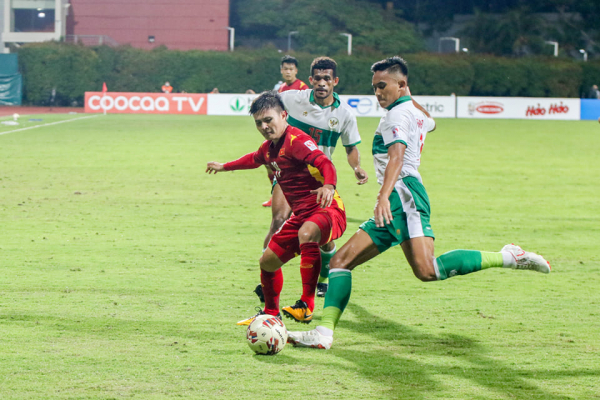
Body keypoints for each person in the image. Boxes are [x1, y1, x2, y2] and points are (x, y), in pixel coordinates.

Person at [287, 56, 551, 350]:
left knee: (428, 270)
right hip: (400, 195)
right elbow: (431, 123)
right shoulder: (412, 110)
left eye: (383, 86)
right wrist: (407, 96)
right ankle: (324, 333)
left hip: (403, 194)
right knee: (341, 263)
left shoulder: (396, 117)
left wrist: (384, 196)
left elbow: (397, 157)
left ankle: (508, 256)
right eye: (374, 87)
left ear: (400, 84)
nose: (377, 93)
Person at [206, 91, 347, 326]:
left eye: (268, 120)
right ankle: (271, 312)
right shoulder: (269, 148)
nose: (264, 126)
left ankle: (306, 305)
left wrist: (329, 185)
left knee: (307, 233)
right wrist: (224, 166)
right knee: (267, 261)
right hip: (302, 216)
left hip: (328, 210)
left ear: (284, 115)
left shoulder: (297, 141)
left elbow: (324, 162)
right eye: (259, 123)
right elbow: (253, 159)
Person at [254, 56, 368, 314]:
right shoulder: (293, 99)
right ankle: (268, 274)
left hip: (318, 182)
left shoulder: (344, 115)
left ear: (334, 81)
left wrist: (356, 167)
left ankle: (323, 279)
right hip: (288, 174)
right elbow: (267, 110)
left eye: (326, 78)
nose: (321, 83)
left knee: (323, 242)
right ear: (311, 79)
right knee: (278, 219)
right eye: (317, 78)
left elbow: (351, 149)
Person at [263, 56, 310, 208]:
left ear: (296, 71)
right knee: (270, 162)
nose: (288, 72)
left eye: (291, 69)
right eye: (285, 69)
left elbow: (307, 112)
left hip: (296, 136)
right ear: (281, 70)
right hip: (282, 134)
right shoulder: (281, 88)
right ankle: (275, 196)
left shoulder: (302, 87)